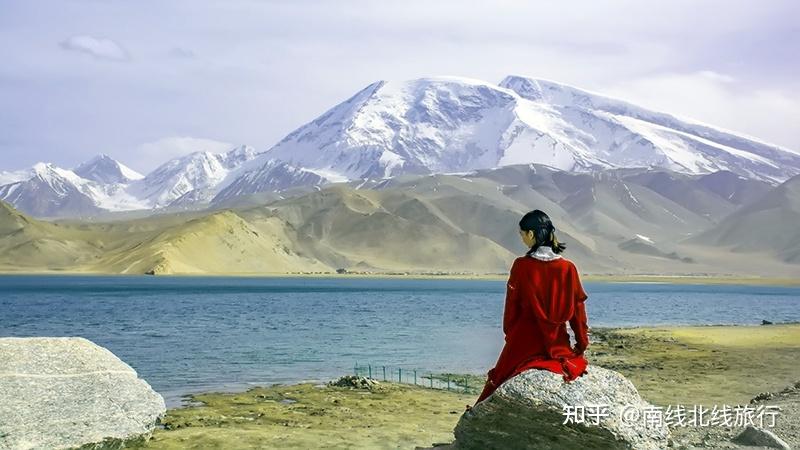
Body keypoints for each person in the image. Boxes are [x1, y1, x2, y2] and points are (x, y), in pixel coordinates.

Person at [470, 209, 590, 409]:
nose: (522, 238)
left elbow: (511, 309)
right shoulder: (568, 268)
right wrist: (581, 344)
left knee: (498, 380)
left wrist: (511, 336)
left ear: (532, 234)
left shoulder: (521, 266)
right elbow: (578, 313)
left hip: (523, 341)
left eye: (522, 234)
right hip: (556, 342)